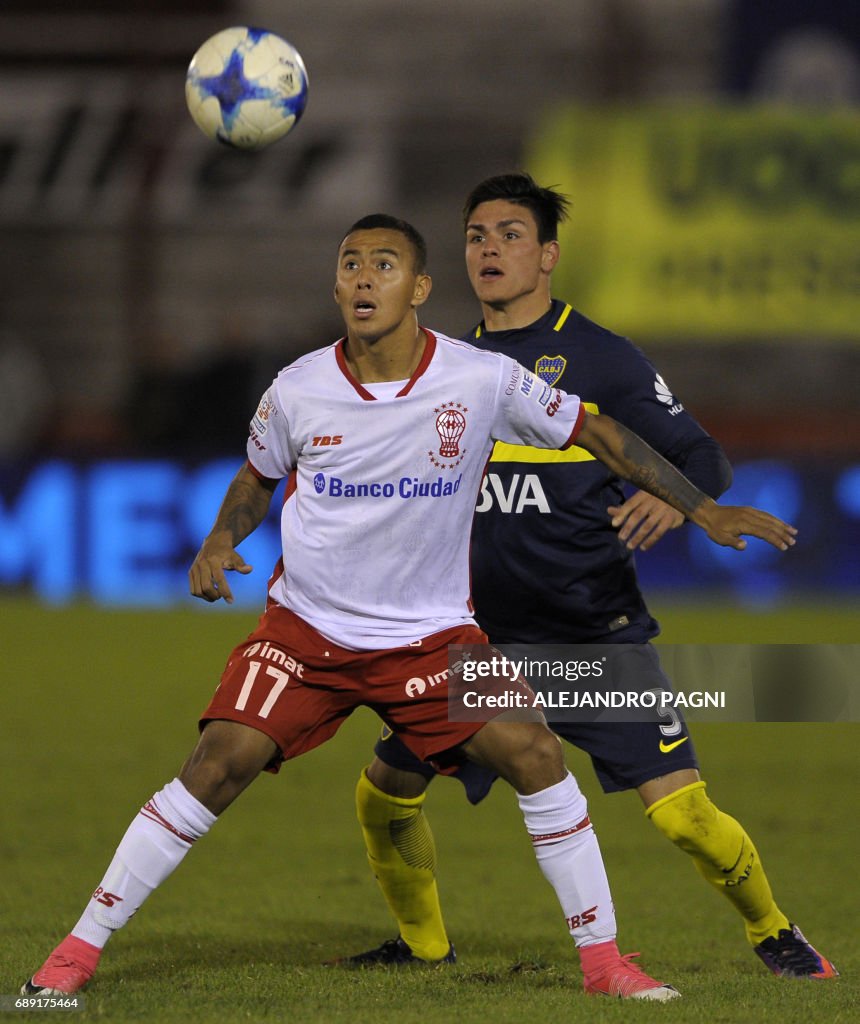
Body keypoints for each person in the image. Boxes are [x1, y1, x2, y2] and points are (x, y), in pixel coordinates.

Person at [22, 214, 797, 1004]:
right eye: (350, 264)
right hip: (307, 634)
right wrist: (220, 539)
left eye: (383, 264)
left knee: (535, 755)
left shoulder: (478, 378)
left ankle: (604, 965)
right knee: (218, 765)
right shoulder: (297, 387)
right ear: (335, 286)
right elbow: (257, 477)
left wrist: (702, 508)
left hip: (431, 642)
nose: (363, 277)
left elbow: (596, 430)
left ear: (419, 288)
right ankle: (77, 952)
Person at [339, 176, 838, 981]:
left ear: (547, 256)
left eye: (509, 234)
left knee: (684, 817)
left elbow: (701, 454)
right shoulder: (447, 365)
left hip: (590, 636)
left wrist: (672, 499)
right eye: (476, 235)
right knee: (384, 791)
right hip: (478, 647)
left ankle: (774, 930)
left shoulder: (602, 358)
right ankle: (424, 946)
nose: (490, 248)